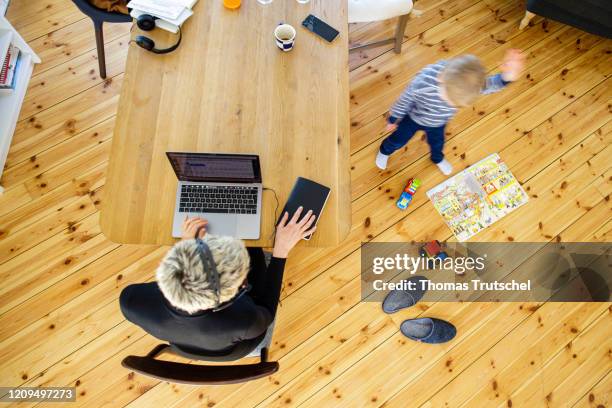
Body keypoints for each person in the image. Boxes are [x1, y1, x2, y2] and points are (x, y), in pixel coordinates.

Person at [119, 207, 316, 354]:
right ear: (233, 295)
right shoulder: (247, 321)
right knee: (253, 250)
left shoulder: (131, 302)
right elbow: (268, 309)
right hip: (234, 349)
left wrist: (186, 243)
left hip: (183, 342)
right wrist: (280, 251)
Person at [375, 49, 525, 175]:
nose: (448, 104)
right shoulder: (423, 81)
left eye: (453, 104)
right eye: (448, 99)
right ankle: (385, 150)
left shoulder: (469, 85)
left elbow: (492, 84)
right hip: (413, 118)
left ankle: (437, 158)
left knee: (437, 143)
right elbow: (404, 100)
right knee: (399, 139)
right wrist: (393, 119)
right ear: (441, 78)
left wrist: (508, 77)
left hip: (438, 122)